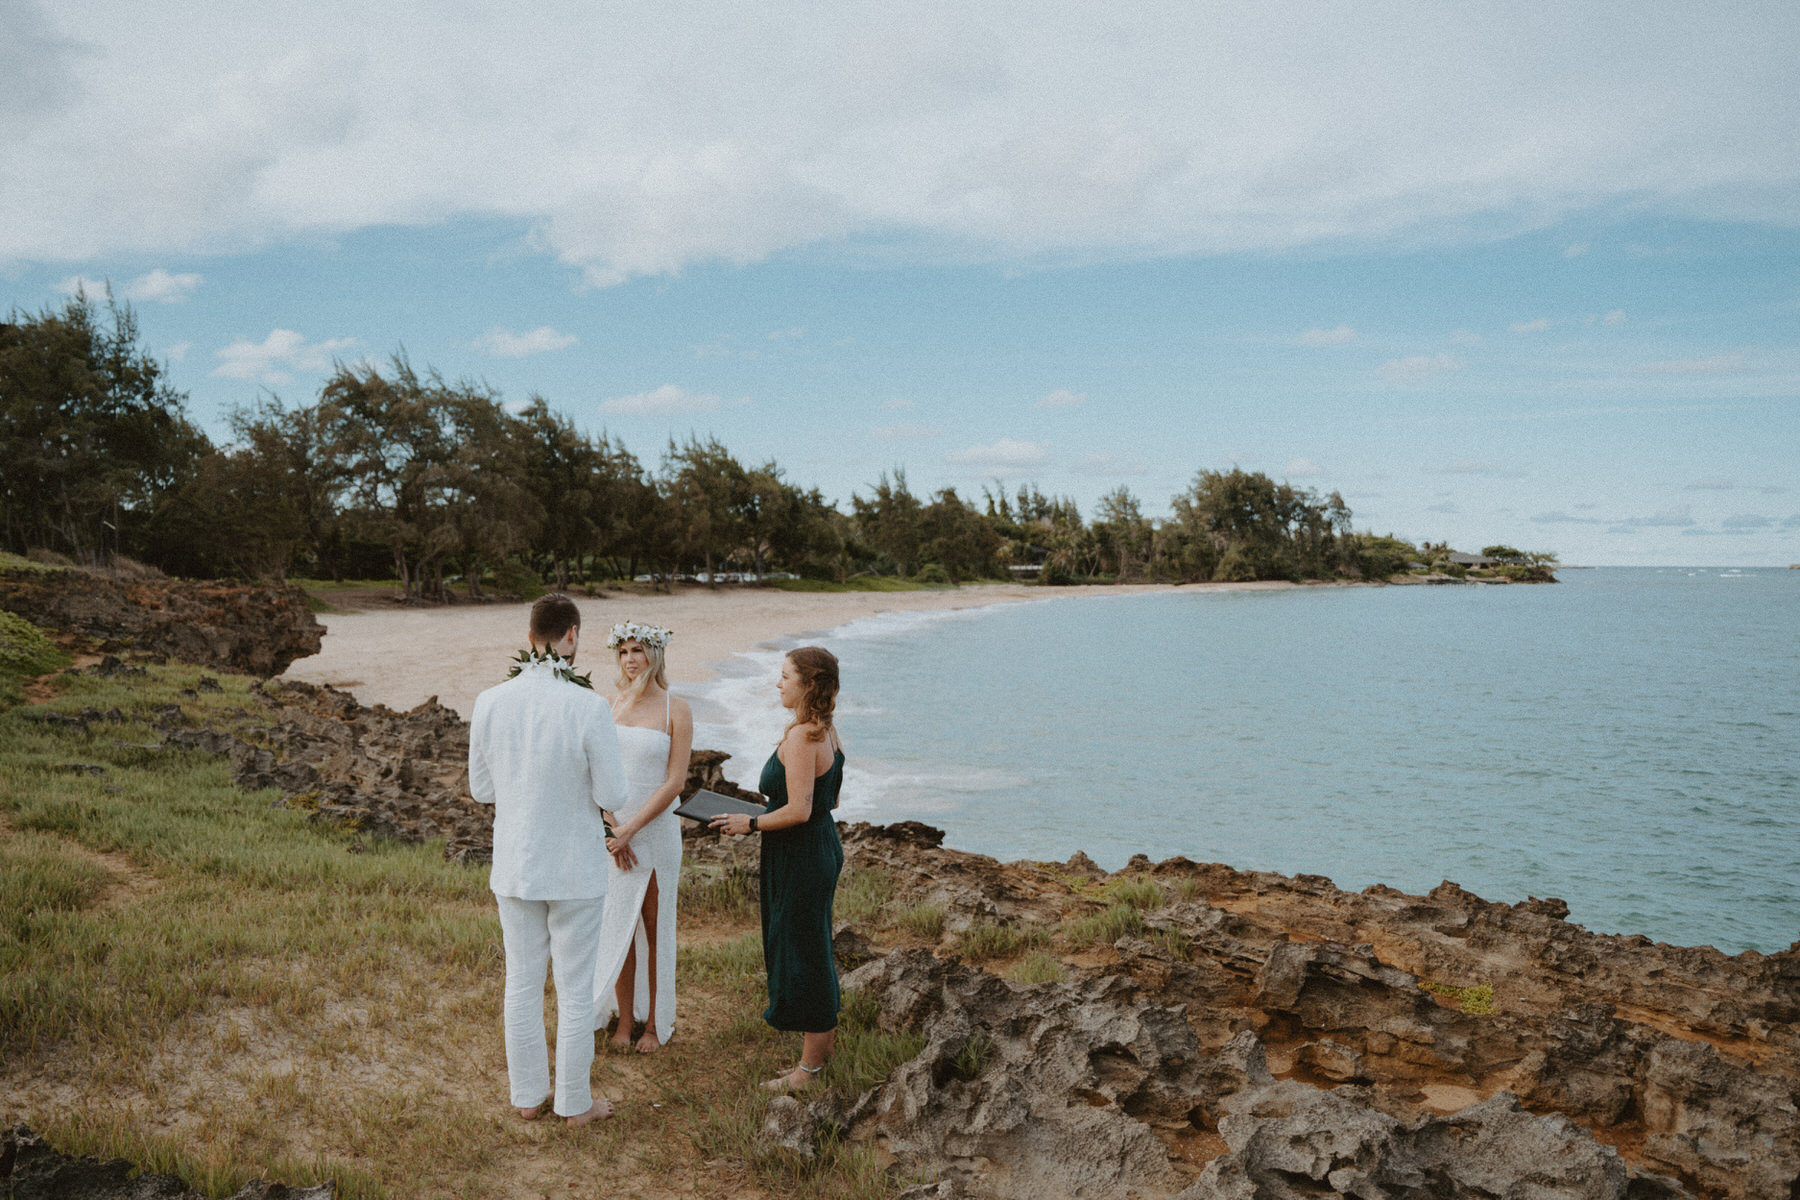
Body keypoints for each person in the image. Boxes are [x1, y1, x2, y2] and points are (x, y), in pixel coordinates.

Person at [468, 594, 627, 1127]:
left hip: (516, 862)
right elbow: (614, 791)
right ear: (572, 636)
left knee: (522, 981)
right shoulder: (588, 706)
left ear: (530, 632)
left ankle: (528, 1096)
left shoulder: (490, 700)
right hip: (575, 868)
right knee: (574, 988)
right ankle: (575, 1104)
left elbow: (481, 789)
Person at [710, 646, 845, 1092]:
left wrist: (748, 822)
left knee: (805, 952)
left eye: (785, 675)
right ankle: (819, 1049)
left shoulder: (802, 737)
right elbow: (827, 802)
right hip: (816, 846)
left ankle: (808, 1072)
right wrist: (764, 814)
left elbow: (800, 810)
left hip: (801, 852)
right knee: (810, 943)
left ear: (808, 684)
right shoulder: (825, 732)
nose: (778, 682)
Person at [591, 620, 692, 1054]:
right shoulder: (609, 707)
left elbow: (675, 782)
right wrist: (614, 828)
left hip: (655, 832)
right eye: (623, 652)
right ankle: (624, 1019)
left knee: (654, 928)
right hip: (615, 836)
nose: (630, 660)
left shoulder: (676, 709)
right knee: (620, 925)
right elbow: (595, 773)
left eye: (638, 651)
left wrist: (633, 828)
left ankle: (654, 1024)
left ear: (656, 655)